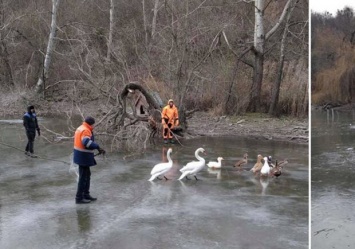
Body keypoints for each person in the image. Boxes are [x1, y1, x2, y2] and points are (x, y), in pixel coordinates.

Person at [73, 116, 105, 204]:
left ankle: (86, 194)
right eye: (93, 124)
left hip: (81, 156)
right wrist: (97, 146)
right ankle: (79, 198)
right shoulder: (86, 130)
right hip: (83, 157)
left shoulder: (81, 127)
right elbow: (86, 142)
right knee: (83, 177)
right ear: (91, 124)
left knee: (87, 175)